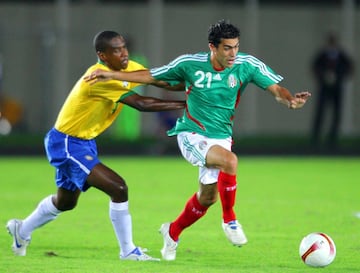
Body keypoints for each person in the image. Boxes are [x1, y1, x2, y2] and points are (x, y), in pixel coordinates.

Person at [85, 20, 311, 261]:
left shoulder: (247, 65)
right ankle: (230, 220)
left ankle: (172, 232)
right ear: (212, 47)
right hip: (192, 133)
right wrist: (109, 73)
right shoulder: (189, 64)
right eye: (227, 48)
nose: (233, 53)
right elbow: (150, 76)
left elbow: (277, 90)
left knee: (208, 198)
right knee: (230, 162)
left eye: (235, 47)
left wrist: (290, 100)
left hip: (221, 137)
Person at [6, 30, 185, 261]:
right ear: (102, 55)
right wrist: (187, 103)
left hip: (84, 141)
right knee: (118, 188)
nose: (123, 53)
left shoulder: (128, 67)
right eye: (116, 50)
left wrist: (194, 86)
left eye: (124, 47)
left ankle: (21, 230)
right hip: (67, 143)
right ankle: (128, 250)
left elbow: (159, 79)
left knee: (65, 202)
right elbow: (141, 103)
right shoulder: (97, 78)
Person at [311, 32, 354, 147]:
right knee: (320, 112)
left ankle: (333, 138)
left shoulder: (342, 55)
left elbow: (349, 68)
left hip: (337, 88)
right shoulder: (322, 55)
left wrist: (338, 77)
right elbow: (315, 67)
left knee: (336, 113)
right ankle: (315, 138)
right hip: (324, 88)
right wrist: (324, 76)